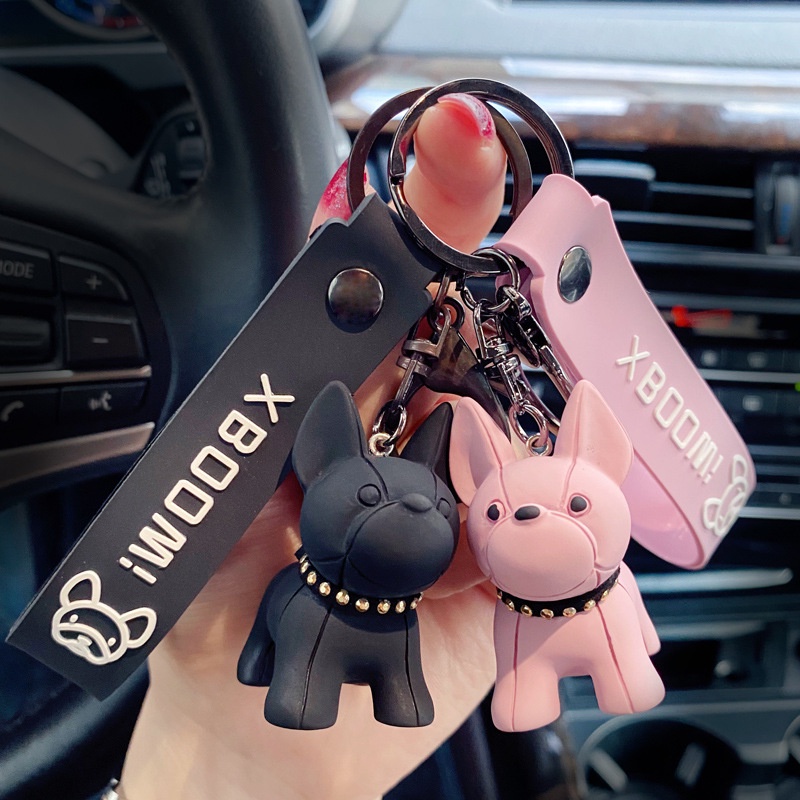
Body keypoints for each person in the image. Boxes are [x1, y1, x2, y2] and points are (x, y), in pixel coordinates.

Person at [114, 93, 509, 800]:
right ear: (318, 465)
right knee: (285, 656)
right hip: (299, 621)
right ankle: (280, 672)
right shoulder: (302, 597)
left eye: (432, 498)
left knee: (399, 679)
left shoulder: (412, 605)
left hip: (389, 620)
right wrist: (213, 751)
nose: (420, 508)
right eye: (372, 493)